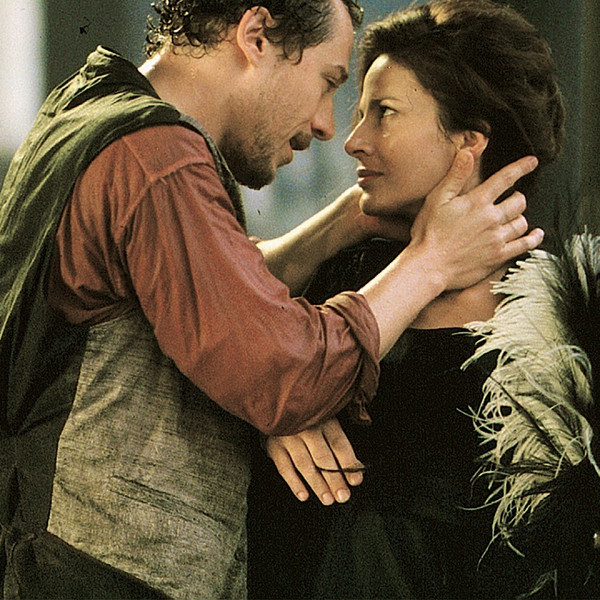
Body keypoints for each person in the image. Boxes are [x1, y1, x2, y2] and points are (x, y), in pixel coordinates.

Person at [0, 0, 542, 598]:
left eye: (380, 111)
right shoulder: (157, 160)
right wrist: (430, 262)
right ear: (256, 36)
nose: (330, 128)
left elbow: (210, 289)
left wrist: (345, 224)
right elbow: (283, 371)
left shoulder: (90, 110)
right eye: (328, 82)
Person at [247, 1, 580, 598]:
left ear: (469, 143)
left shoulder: (561, 340)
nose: (353, 141)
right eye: (360, 113)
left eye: (385, 113)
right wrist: (268, 410)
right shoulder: (342, 278)